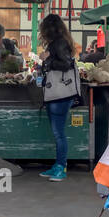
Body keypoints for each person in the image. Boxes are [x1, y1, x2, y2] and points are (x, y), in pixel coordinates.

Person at [38, 13, 80, 182]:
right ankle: (57, 165)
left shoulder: (59, 43)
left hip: (60, 94)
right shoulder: (61, 42)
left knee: (59, 133)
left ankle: (61, 167)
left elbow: (66, 64)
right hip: (57, 93)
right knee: (57, 132)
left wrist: (47, 60)